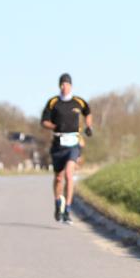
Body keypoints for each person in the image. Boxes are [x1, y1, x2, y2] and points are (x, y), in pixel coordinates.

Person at [41, 73, 93, 224]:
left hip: (73, 144)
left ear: (71, 86)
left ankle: (68, 209)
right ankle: (58, 203)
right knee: (58, 178)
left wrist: (89, 126)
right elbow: (44, 121)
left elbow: (88, 113)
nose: (65, 87)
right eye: (62, 84)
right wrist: (54, 126)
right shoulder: (53, 102)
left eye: (67, 84)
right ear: (59, 86)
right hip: (58, 144)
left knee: (69, 175)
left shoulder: (78, 102)